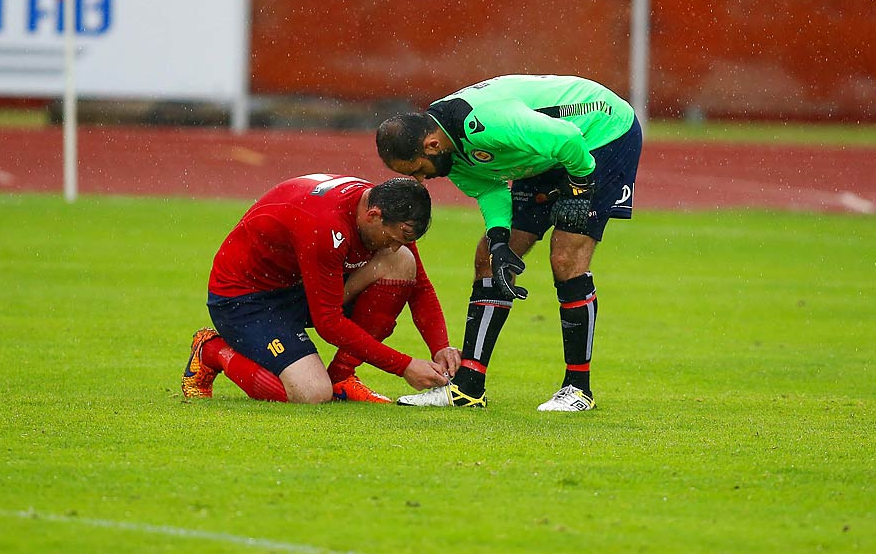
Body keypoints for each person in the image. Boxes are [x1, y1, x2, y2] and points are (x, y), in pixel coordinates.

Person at [375, 74, 641, 412]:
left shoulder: (489, 122)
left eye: (417, 169)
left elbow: (568, 138)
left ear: (430, 146)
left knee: (565, 257)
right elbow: (489, 188)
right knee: (488, 258)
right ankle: (468, 388)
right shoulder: (448, 150)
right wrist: (500, 241)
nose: (420, 179)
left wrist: (580, 187)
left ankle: (578, 389)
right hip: (548, 149)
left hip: (599, 133)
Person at [182, 174, 460, 405]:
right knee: (311, 393)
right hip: (245, 300)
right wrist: (405, 366)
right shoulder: (325, 225)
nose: (394, 245)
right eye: (394, 237)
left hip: (298, 285)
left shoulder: (387, 208)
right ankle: (212, 350)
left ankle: (341, 377)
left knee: (400, 263)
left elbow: (419, 285)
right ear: (373, 215)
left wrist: (440, 347)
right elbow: (329, 323)